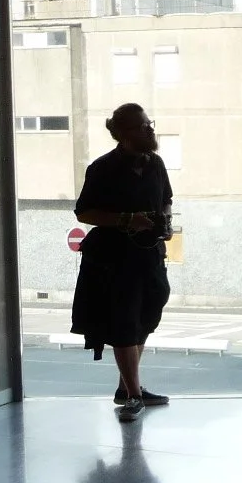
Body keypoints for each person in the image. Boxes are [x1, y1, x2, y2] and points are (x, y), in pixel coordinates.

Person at [72, 103, 174, 421]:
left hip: (150, 256)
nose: (149, 129)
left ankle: (128, 388)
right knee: (124, 324)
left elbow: (167, 199)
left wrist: (165, 223)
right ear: (123, 132)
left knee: (145, 318)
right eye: (142, 126)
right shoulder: (102, 168)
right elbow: (84, 212)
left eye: (149, 124)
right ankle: (132, 395)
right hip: (114, 261)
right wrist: (128, 219)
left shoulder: (155, 164)